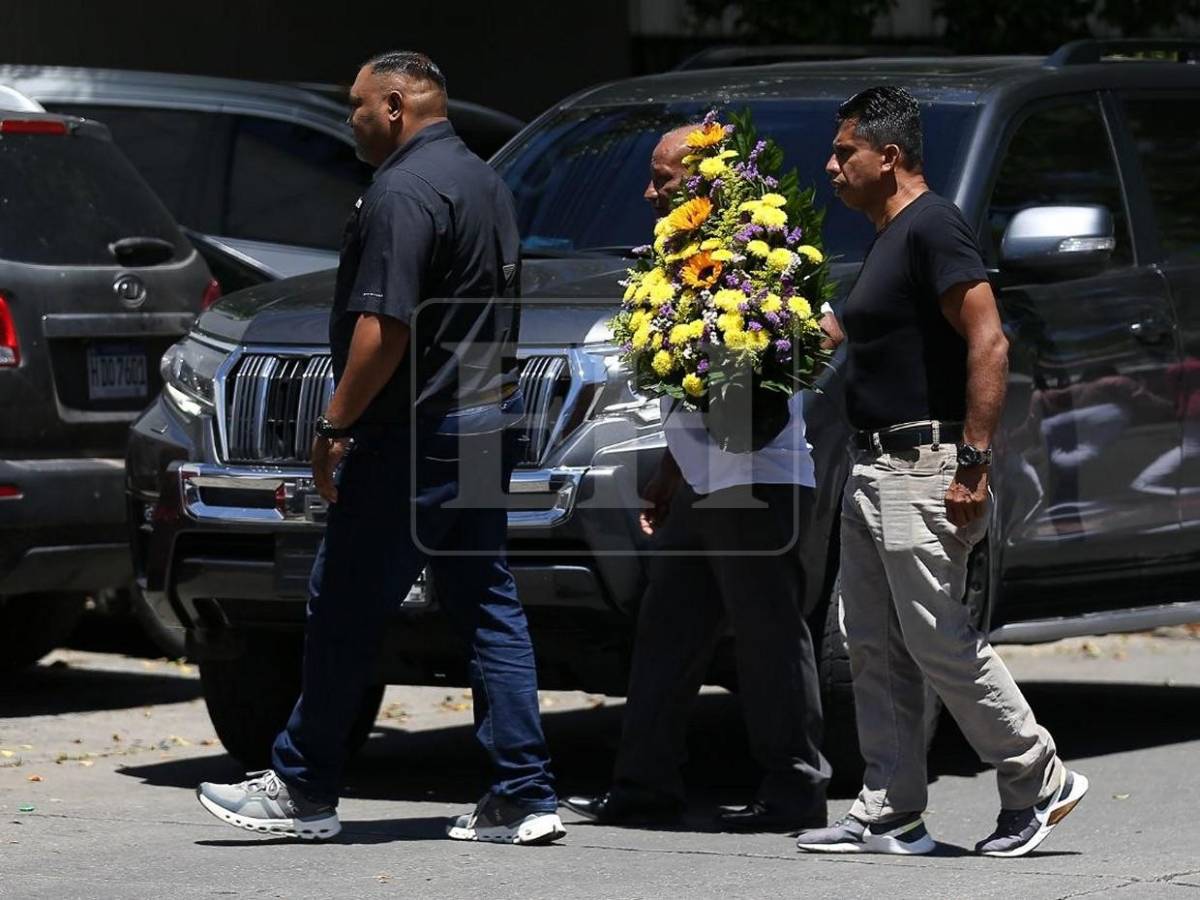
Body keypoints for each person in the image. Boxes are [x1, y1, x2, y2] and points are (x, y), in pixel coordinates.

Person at [196, 51, 565, 846]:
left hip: (417, 432)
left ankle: (303, 787)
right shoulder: (482, 179)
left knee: (344, 604)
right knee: (487, 604)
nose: (351, 118)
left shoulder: (403, 190)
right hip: (480, 422)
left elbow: (385, 326)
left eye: (359, 105)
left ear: (396, 105)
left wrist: (334, 426)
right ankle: (522, 794)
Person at [794, 86, 1087, 858]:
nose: (830, 166)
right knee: (870, 644)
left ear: (888, 157)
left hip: (926, 466)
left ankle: (1038, 775)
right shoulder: (887, 239)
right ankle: (892, 808)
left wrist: (974, 464)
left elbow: (989, 343)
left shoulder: (934, 227)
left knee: (938, 638)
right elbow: (836, 335)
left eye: (843, 152)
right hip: (871, 467)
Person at [562, 125, 831, 833]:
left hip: (759, 479)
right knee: (668, 632)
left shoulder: (760, 253)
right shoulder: (678, 260)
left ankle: (795, 791)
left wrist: (768, 372)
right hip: (702, 481)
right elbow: (688, 381)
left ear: (709, 183)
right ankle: (644, 787)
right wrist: (673, 470)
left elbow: (826, 329)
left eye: (664, 181)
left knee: (767, 638)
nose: (649, 194)